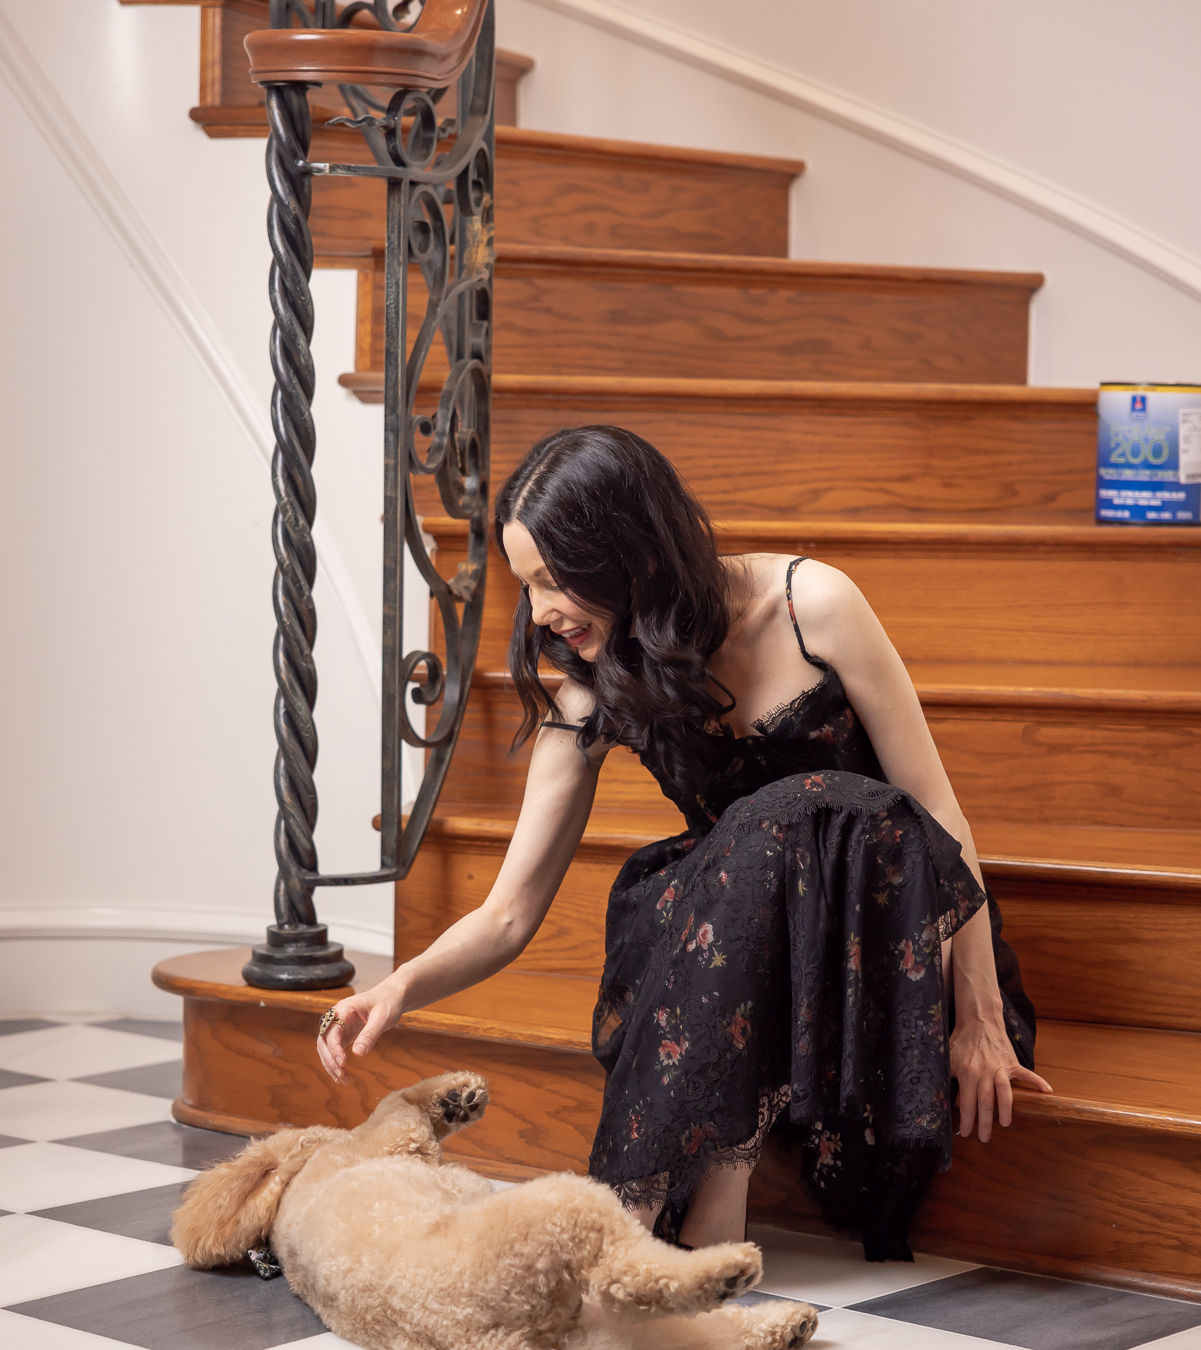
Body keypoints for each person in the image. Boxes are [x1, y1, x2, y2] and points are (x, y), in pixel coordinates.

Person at [317, 425, 1050, 1259]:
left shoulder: (813, 605)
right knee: (718, 857)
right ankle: (681, 1214)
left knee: (800, 811)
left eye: (556, 580)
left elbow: (936, 817)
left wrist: (978, 1017)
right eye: (526, 587)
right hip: (736, 963)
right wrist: (399, 988)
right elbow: (509, 913)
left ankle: (674, 1219)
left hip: (883, 947)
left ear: (630, 551)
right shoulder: (591, 689)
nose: (542, 613)